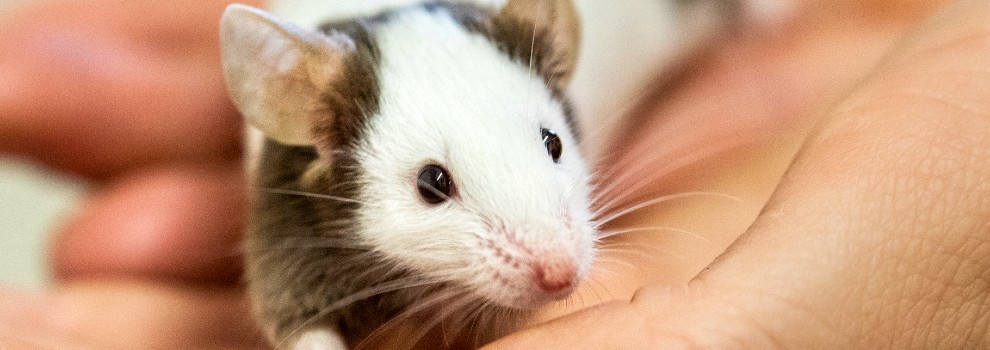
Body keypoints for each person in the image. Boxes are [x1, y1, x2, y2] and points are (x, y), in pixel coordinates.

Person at [2, 0, 988, 348]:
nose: (559, 264)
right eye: (433, 184)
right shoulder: (307, 126)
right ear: (315, 137)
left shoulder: (535, 54)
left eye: (553, 146)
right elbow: (291, 285)